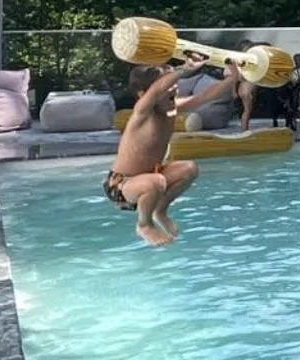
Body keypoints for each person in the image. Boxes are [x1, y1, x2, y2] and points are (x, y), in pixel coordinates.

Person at [103, 57, 240, 247]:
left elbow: (206, 96)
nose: (174, 87)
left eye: (175, 83)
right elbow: (156, 91)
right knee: (156, 182)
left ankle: (159, 210)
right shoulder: (143, 113)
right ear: (144, 94)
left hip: (151, 178)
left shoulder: (171, 110)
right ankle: (144, 225)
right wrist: (183, 70)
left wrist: (233, 79)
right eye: (168, 83)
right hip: (121, 186)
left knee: (189, 169)